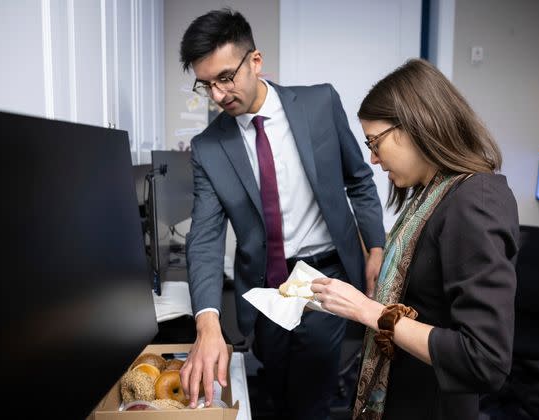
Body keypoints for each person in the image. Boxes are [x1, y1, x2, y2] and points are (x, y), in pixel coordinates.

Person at [178, 8, 385, 419]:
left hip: (325, 276)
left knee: (311, 397)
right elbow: (204, 237)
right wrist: (206, 322)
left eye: (225, 78)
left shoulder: (320, 103)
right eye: (206, 85)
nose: (218, 96)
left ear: (255, 61)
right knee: (274, 391)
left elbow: (359, 180)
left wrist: (376, 246)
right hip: (265, 289)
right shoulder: (207, 147)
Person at [311, 58, 520, 420]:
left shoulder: (476, 200)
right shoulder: (430, 195)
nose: (373, 159)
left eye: (375, 142)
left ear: (414, 126)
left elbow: (483, 359)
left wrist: (368, 310)